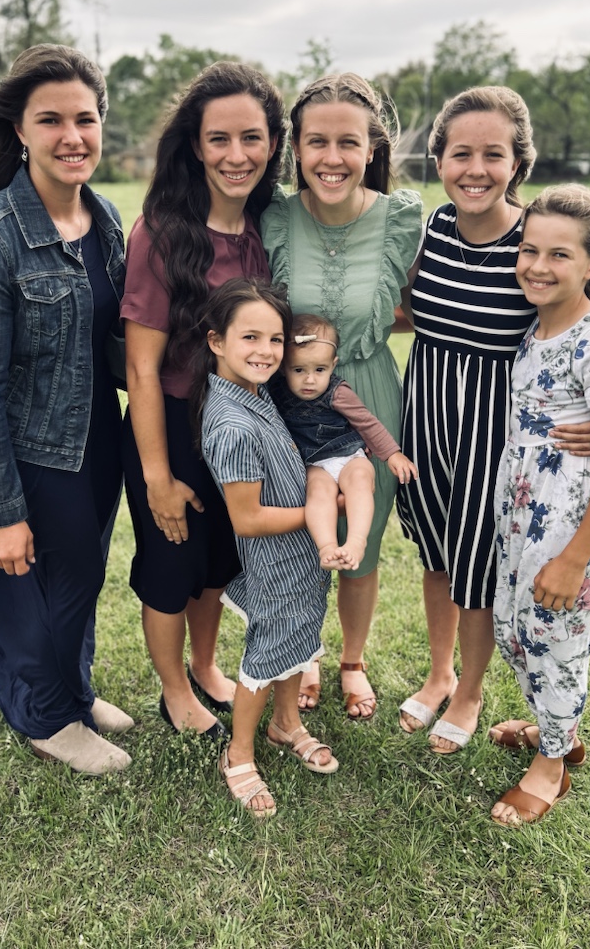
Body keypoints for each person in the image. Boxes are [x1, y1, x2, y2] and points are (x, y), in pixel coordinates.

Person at [395, 86, 590, 753]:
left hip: (497, 429)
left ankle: (470, 691)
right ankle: (439, 674)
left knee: (477, 566)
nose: (476, 169)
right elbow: (410, 312)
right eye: (460, 153)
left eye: (494, 154)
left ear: (518, 163)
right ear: (438, 160)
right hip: (426, 412)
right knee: (438, 552)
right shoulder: (433, 228)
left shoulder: (536, 240)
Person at [0, 44, 132, 775]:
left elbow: (115, 338)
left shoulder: (104, 216)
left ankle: (73, 688)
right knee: (34, 586)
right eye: (51, 120)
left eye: (84, 119)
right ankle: (48, 716)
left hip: (98, 437)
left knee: (80, 580)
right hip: (30, 450)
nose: (72, 136)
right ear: (20, 130)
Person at [121, 62, 285, 738]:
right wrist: (158, 476)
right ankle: (173, 690)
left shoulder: (269, 228)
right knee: (172, 566)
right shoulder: (161, 232)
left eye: (251, 137)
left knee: (217, 563)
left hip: (241, 429)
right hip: (173, 428)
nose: (236, 155)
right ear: (195, 145)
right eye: (219, 138)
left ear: (272, 143)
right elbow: (141, 366)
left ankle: (206, 663)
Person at [261, 73, 423, 718]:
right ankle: (303, 653)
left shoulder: (400, 218)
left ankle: (352, 660)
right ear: (296, 148)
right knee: (298, 532)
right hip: (289, 399)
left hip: (369, 391)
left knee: (362, 536)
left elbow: (419, 306)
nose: (332, 158)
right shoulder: (275, 216)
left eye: (348, 142)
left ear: (371, 148)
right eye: (317, 142)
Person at [487, 184, 590, 825]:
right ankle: (557, 729)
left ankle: (551, 765)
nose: (538, 266)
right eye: (529, 250)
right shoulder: (539, 324)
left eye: (559, 254)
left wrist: (576, 558)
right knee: (514, 630)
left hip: (573, 523)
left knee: (556, 643)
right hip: (524, 512)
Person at [191, 277, 337, 818]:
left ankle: (286, 723)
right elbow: (248, 519)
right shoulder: (232, 423)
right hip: (275, 561)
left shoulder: (256, 393)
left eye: (275, 339)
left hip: (302, 559)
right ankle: (239, 754)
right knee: (265, 653)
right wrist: (324, 510)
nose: (267, 351)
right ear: (216, 341)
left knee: (298, 638)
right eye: (250, 337)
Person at [268, 312, 417, 571]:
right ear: (283, 367)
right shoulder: (278, 392)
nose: (310, 379)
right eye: (299, 370)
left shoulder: (338, 391)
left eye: (320, 370)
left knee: (360, 481)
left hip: (349, 455)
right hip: (315, 463)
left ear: (333, 364)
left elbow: (366, 422)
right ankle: (327, 547)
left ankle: (356, 542)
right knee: (317, 493)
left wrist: (392, 454)